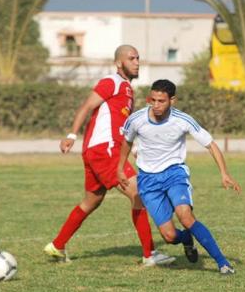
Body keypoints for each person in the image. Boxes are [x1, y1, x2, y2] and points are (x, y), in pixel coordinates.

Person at [43, 45, 175, 266]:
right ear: (118, 63)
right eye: (131, 58)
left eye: (138, 58)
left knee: (91, 201)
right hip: (105, 150)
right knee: (138, 194)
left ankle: (57, 246)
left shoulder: (128, 91)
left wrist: (133, 148)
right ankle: (149, 254)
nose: (137, 62)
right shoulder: (111, 82)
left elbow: (121, 126)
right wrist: (71, 135)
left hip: (100, 150)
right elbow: (86, 106)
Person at [117, 79, 241, 275]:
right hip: (148, 180)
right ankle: (186, 239)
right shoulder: (137, 119)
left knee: (185, 216)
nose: (156, 105)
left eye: (161, 101)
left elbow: (210, 144)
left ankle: (222, 263)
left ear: (172, 100)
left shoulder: (183, 120)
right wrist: (120, 168)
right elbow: (126, 142)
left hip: (174, 174)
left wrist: (224, 173)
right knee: (169, 236)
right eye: (153, 100)